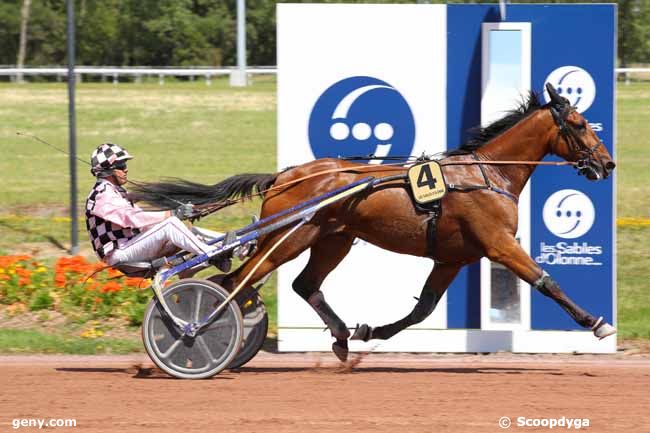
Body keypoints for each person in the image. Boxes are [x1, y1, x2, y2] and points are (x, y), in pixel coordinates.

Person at [85, 143, 231, 271]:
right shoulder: (102, 195)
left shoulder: (116, 191)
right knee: (170, 225)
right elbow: (132, 218)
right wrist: (172, 214)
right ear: (109, 170)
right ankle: (213, 254)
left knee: (185, 230)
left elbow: (141, 223)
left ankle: (238, 246)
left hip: (130, 246)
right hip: (118, 254)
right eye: (122, 166)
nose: (126, 169)